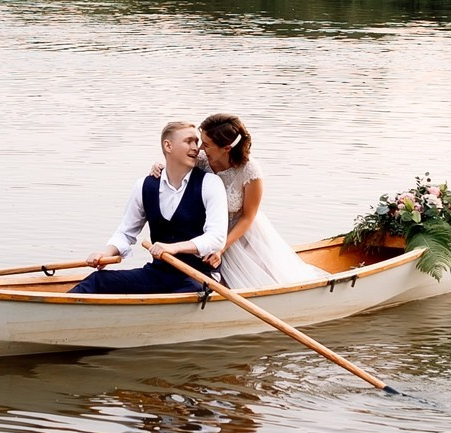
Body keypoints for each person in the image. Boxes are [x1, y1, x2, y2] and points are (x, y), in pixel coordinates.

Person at [71, 120, 228, 296]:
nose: (196, 148)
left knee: (184, 293)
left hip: (199, 278)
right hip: (159, 273)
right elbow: (126, 232)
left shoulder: (210, 183)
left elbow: (217, 238)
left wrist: (174, 247)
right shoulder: (144, 186)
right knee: (97, 280)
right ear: (168, 146)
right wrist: (106, 254)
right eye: (188, 141)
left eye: (196, 142)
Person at [197, 112, 313, 290]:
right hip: (208, 231)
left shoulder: (250, 171)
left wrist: (221, 248)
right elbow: (174, 164)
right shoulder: (202, 161)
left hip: (240, 235)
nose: (200, 149)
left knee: (255, 281)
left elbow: (248, 217)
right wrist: (159, 167)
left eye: (206, 145)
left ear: (227, 148)